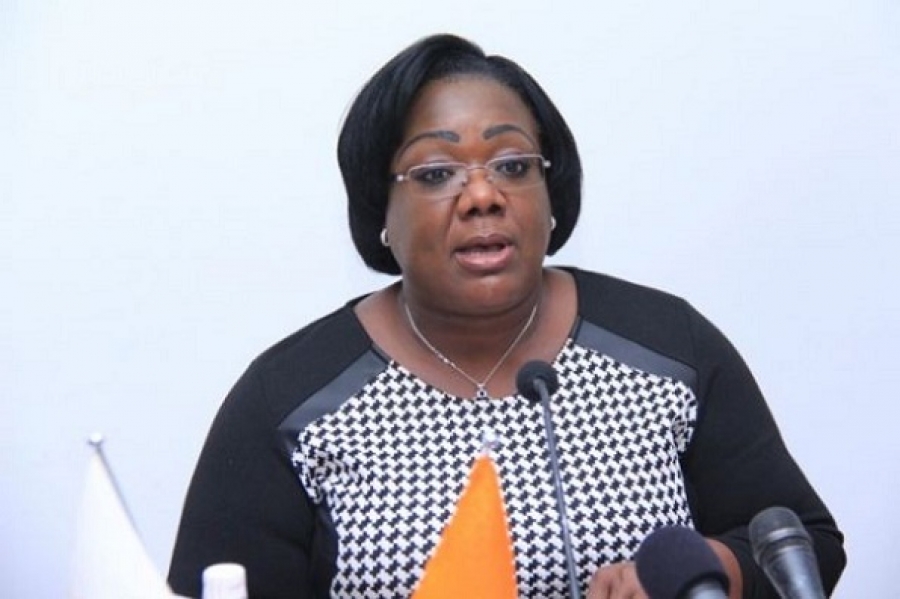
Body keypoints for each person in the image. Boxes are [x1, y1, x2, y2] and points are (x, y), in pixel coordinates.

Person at [167, 33, 846, 598]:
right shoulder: (289, 399)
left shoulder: (669, 346)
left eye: (514, 165)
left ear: (551, 194)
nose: (483, 195)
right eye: (436, 173)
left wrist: (706, 571)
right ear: (381, 211)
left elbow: (805, 545)